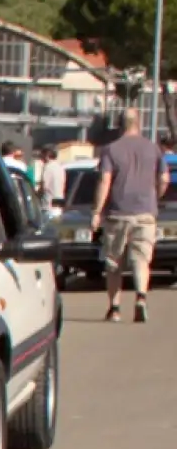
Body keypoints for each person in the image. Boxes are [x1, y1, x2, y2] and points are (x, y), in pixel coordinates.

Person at [93, 108, 170, 323]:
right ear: (140, 122)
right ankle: (141, 298)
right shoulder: (153, 149)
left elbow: (105, 180)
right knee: (141, 260)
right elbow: (164, 178)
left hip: (117, 213)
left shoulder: (110, 149)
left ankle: (115, 308)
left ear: (120, 124)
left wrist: (97, 211)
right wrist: (155, 195)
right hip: (146, 213)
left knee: (114, 263)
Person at [39, 146, 68, 211]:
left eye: (41, 155)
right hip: (59, 201)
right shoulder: (60, 167)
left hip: (48, 204)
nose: (41, 157)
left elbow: (43, 186)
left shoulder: (48, 167)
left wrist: (36, 196)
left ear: (47, 155)